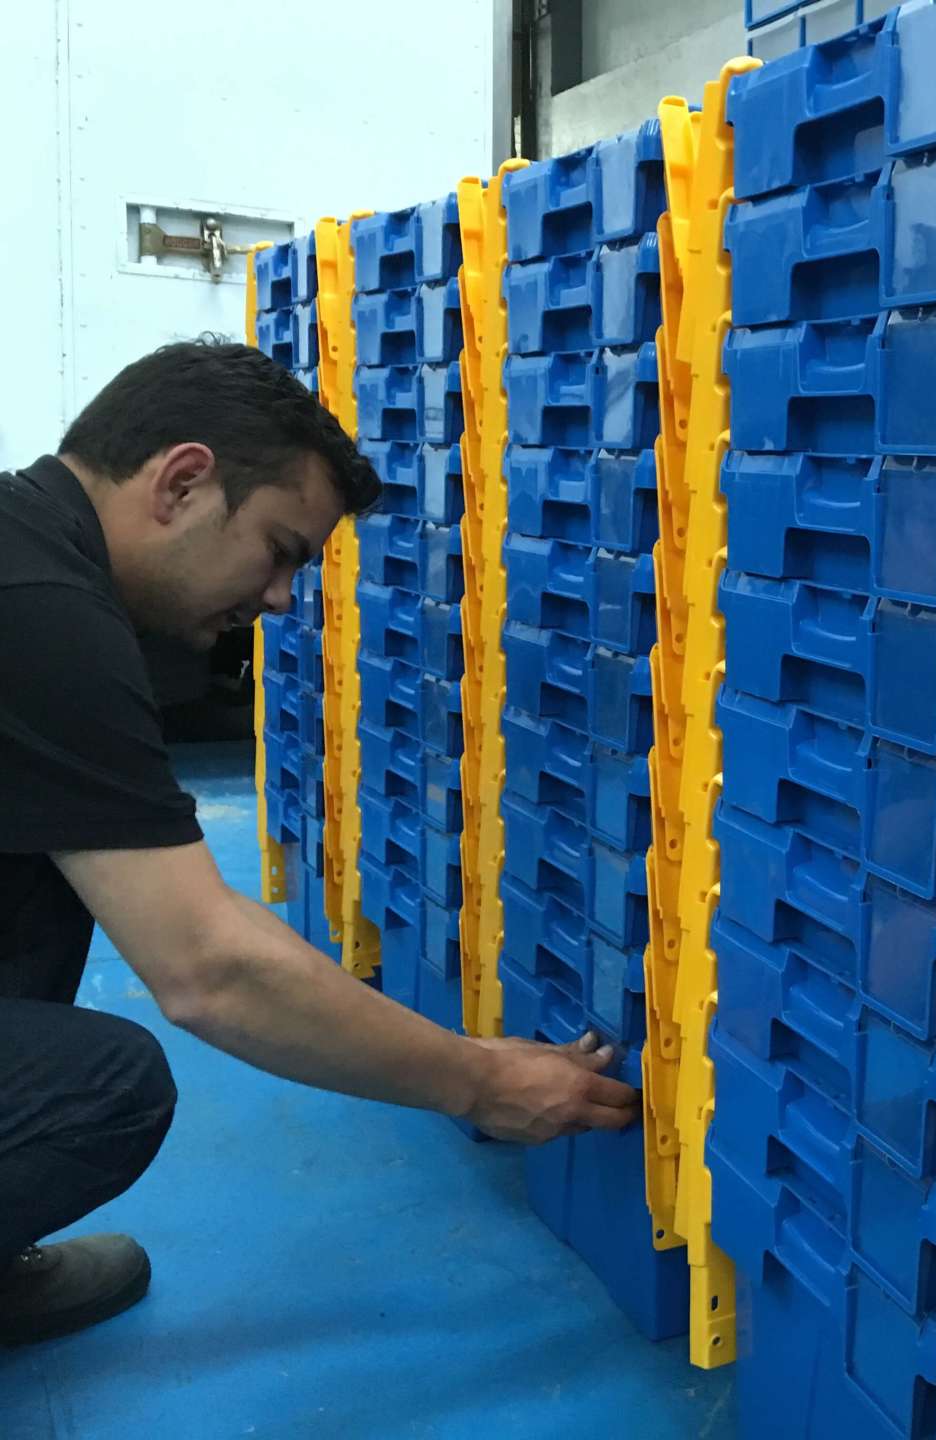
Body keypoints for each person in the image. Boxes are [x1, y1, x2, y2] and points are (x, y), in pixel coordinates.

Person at [0, 339, 641, 1347]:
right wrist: (479, 1080)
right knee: (102, 1089)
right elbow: (208, 968)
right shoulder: (41, 618)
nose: (284, 598)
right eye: (283, 548)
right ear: (183, 480)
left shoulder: (27, 549)